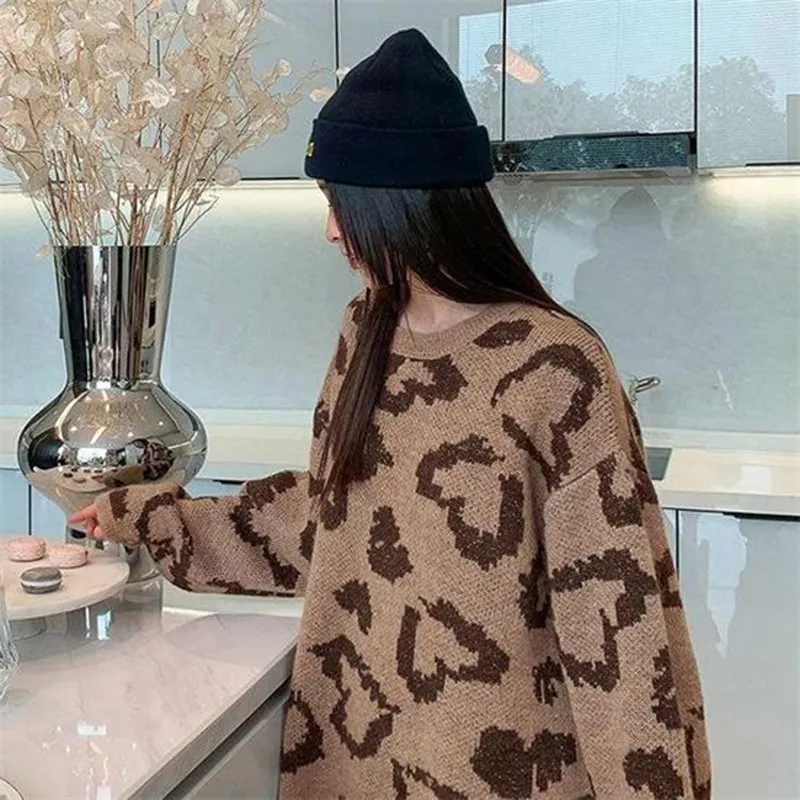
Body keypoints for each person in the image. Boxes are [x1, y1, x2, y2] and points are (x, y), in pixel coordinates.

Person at [70, 29, 711, 800]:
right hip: (352, 768)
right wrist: (150, 517)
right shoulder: (364, 331)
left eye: (340, 203)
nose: (331, 229)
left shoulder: (555, 368)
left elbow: (620, 633)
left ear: (400, 200)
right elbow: (329, 523)